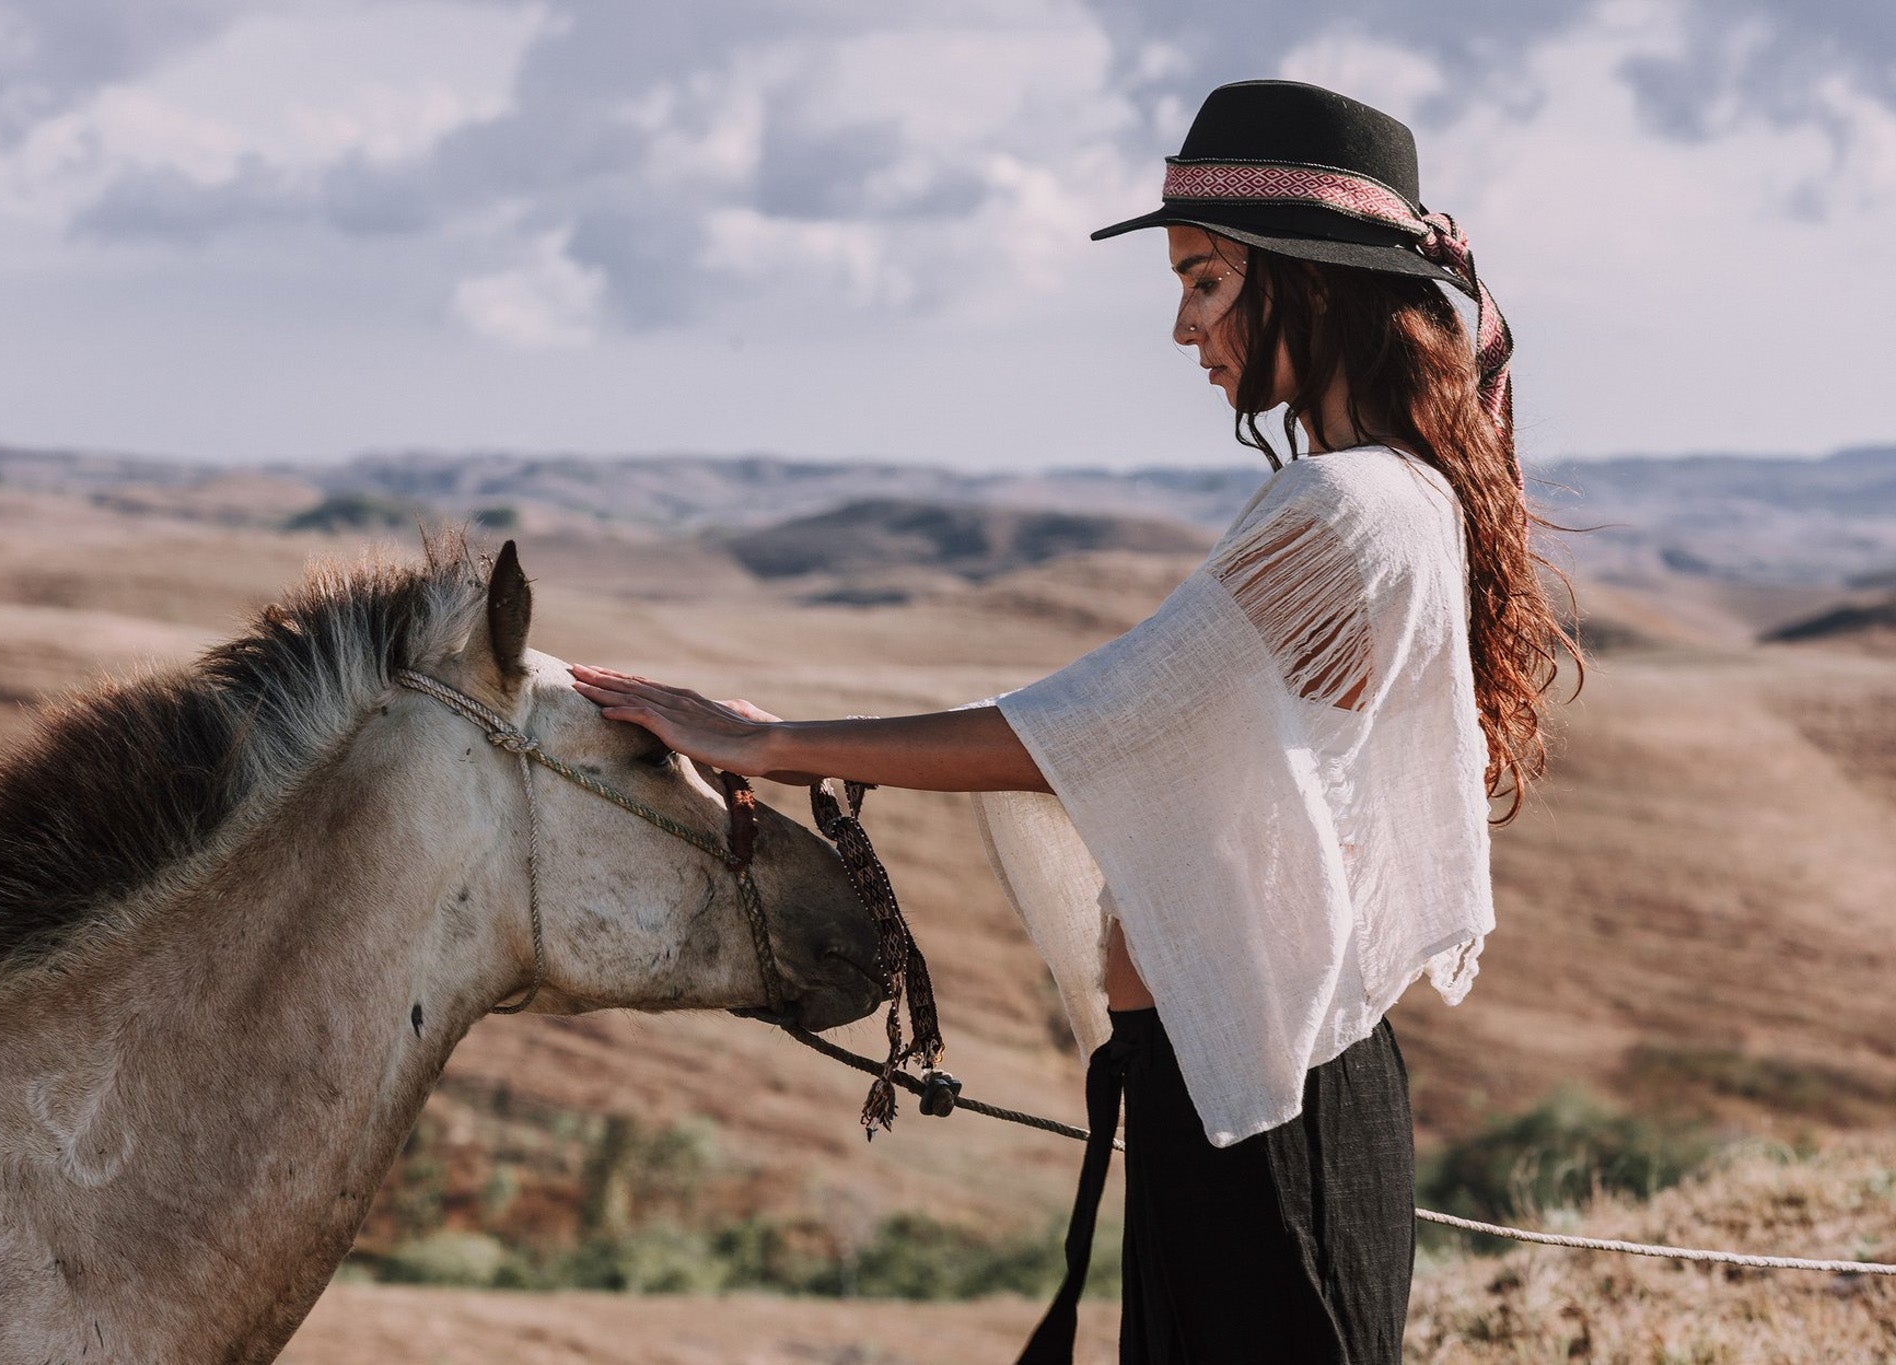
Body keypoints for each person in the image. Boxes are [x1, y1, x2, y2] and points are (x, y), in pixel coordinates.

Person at [571, 79, 1578, 1364]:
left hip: (1273, 1112)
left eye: (1205, 281)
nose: (1180, 328)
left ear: (1307, 284)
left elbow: (1089, 727)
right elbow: (1151, 743)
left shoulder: (1344, 511)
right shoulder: (1382, 496)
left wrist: (774, 745)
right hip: (1243, 1088)